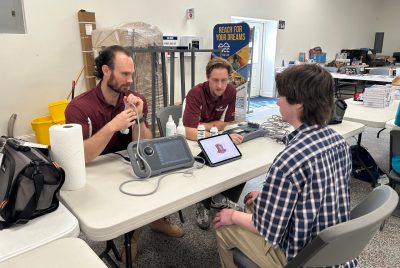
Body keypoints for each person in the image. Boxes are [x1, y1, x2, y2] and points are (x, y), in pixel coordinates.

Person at [213, 64, 357, 268]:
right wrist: (266, 198)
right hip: (334, 253)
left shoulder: (289, 161)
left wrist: (232, 215)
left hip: (303, 258)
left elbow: (268, 229)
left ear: (298, 103)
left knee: (224, 224)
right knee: (252, 203)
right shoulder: (338, 142)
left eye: (281, 96)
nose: (278, 101)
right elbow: (314, 195)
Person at [65, 45, 184, 261]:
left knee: (157, 181)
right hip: (96, 173)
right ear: (106, 71)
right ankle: (133, 236)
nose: (130, 80)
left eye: (132, 74)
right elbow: (80, 156)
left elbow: (145, 145)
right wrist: (112, 125)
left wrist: (138, 118)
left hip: (127, 166)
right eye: (124, 74)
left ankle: (153, 222)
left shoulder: (135, 99)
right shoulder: (79, 108)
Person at [182, 57, 244, 230]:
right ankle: (203, 203)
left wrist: (204, 126)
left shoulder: (231, 91)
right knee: (205, 161)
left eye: (224, 80)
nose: (219, 86)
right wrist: (217, 134)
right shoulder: (196, 93)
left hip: (208, 135)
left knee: (240, 160)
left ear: (229, 79)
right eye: (215, 80)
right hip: (191, 142)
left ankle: (223, 198)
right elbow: (189, 131)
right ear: (207, 78)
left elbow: (226, 123)